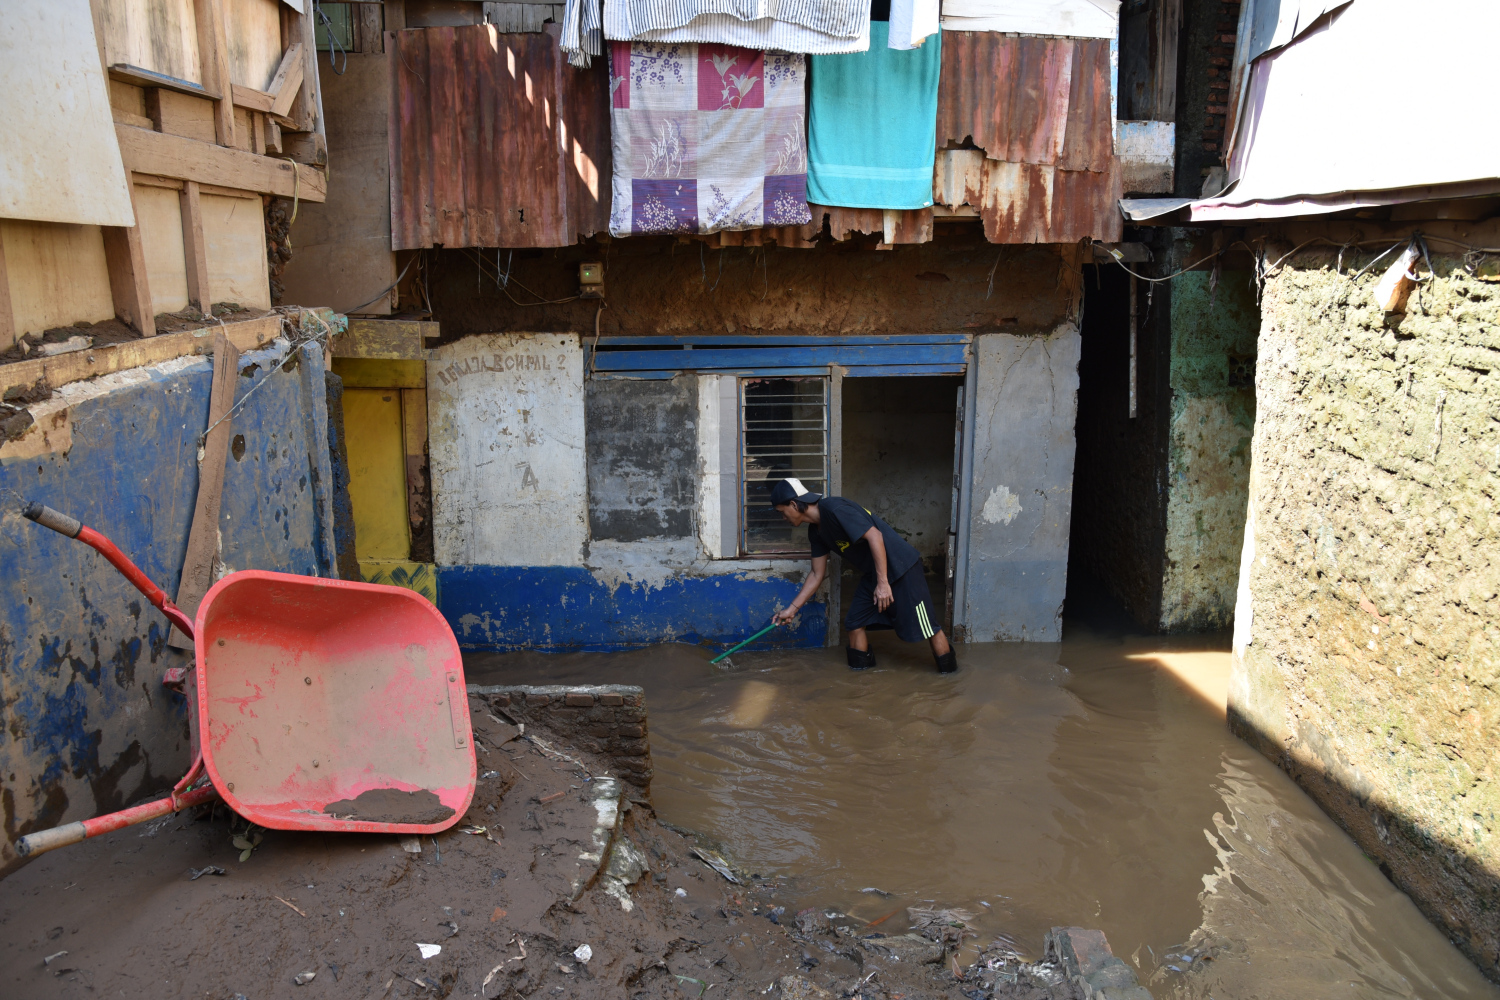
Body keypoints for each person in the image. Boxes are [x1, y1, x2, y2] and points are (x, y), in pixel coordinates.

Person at [768, 478, 956, 673]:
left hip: (902, 568)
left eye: (782, 512)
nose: (784, 518)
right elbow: (817, 574)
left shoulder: (834, 508)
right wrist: (792, 609)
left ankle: (950, 679)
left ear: (793, 504)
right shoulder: (815, 533)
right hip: (874, 574)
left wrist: (883, 584)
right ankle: (862, 683)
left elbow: (875, 536)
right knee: (854, 622)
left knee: (928, 627)